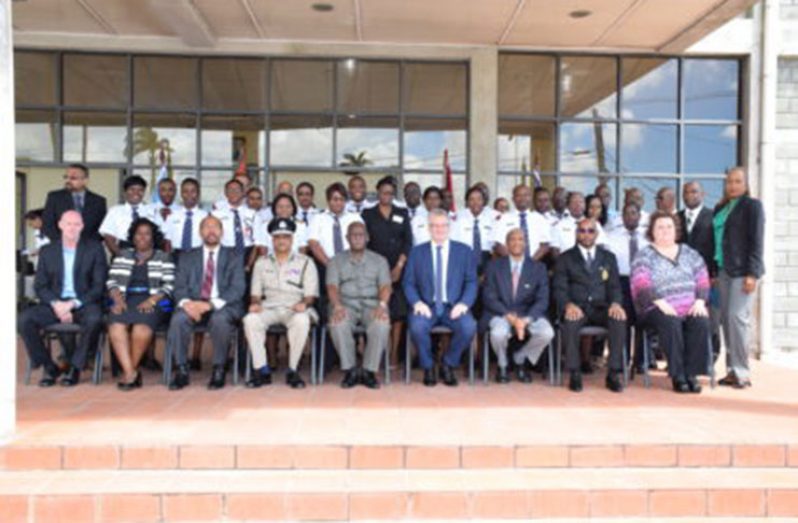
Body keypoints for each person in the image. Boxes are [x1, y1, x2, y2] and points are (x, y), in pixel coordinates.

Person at [18, 210, 107, 387]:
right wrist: (57, 304)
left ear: (82, 227)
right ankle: (49, 366)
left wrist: (72, 304)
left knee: (95, 319)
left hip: (83, 302)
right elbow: (40, 286)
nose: (72, 228)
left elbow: (99, 285)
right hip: (55, 303)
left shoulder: (95, 249)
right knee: (24, 320)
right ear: (60, 225)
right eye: (68, 224)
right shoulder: (47, 251)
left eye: (76, 224)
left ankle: (75, 367)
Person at [631, 212, 711, 393]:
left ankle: (692, 374)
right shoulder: (644, 255)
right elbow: (640, 283)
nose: (665, 231)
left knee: (701, 322)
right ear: (652, 231)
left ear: (676, 230)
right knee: (670, 322)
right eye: (660, 227)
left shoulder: (690, 253)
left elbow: (702, 278)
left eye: (669, 227)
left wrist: (699, 301)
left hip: (690, 306)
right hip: (655, 308)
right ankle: (678, 374)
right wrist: (660, 302)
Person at [166, 215, 246, 391]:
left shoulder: (234, 256)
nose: (211, 231)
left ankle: (219, 369)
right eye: (206, 227)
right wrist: (187, 304)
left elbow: (237, 288)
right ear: (200, 232)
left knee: (220, 320)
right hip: (193, 304)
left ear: (222, 232)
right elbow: (179, 286)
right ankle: (181, 369)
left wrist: (209, 305)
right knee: (178, 320)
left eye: (215, 227)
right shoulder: (187, 256)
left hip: (223, 305)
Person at [403, 209, 478, 387]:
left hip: (453, 306)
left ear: (449, 227)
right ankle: (428, 366)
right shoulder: (417, 252)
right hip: (426, 306)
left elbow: (471, 282)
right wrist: (417, 302)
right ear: (429, 228)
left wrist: (464, 304)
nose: (439, 229)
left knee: (468, 327)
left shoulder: (463, 251)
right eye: (435, 226)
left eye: (443, 225)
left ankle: (448, 364)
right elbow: (408, 283)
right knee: (417, 326)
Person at [553, 217, 627, 393]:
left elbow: (615, 286)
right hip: (577, 308)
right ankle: (575, 372)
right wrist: (568, 305)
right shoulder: (565, 258)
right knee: (570, 323)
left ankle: (613, 373)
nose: (586, 234)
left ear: (597, 234)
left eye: (590, 231)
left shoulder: (608, 257)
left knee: (618, 320)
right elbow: (559, 288)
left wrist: (616, 304)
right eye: (582, 231)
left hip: (601, 308)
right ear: (576, 234)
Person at [243, 218, 319, 389]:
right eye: (277, 237)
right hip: (269, 306)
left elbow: (310, 295)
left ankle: (293, 370)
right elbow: (255, 294)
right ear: (272, 239)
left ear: (292, 239)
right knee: (250, 319)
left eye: (285, 237)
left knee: (302, 320)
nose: (281, 241)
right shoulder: (261, 263)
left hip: (295, 307)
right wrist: (255, 303)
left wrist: (304, 304)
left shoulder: (306, 262)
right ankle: (262, 370)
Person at [106, 218, 175, 390]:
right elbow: (111, 281)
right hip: (124, 298)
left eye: (147, 234)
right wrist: (117, 298)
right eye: (139, 233)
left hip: (158, 300)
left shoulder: (163, 257)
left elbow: (170, 285)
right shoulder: (123, 255)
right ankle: (131, 373)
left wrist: (152, 300)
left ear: (153, 237)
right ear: (133, 236)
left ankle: (130, 372)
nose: (142, 237)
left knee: (141, 328)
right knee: (115, 326)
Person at [714, 166, 765, 389]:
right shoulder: (721, 208)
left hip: (742, 272)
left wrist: (752, 274)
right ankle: (731, 371)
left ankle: (742, 372)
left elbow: (756, 241)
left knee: (737, 319)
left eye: (737, 181)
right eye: (729, 182)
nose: (732, 185)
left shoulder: (752, 206)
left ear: (745, 184)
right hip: (723, 271)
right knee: (727, 321)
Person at [482, 228, 554, 383]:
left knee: (547, 333)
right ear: (507, 244)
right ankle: (502, 365)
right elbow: (489, 296)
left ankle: (520, 359)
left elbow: (542, 299)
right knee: (498, 334)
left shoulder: (538, 268)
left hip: (528, 313)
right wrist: (509, 317)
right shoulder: (494, 266)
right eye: (512, 239)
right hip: (501, 312)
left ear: (526, 244)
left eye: (520, 239)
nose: (516, 242)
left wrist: (526, 320)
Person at [327, 222, 392, 389]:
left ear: (367, 238)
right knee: (338, 323)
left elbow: (385, 286)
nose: (357, 237)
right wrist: (337, 306)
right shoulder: (335, 261)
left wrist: (382, 305)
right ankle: (350, 371)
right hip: (345, 304)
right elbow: (332, 286)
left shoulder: (379, 261)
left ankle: (369, 372)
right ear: (347, 238)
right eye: (353, 234)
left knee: (381, 323)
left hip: (372, 305)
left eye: (360, 234)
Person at [362, 176, 412, 367]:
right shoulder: (368, 214)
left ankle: (393, 354)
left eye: (390, 193)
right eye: (383, 192)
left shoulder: (402, 212)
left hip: (396, 268)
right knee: (375, 309)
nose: (387, 196)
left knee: (397, 312)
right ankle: (375, 353)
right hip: (374, 269)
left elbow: (408, 241)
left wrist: (399, 265)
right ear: (377, 193)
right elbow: (364, 242)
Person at [605, 202, 649, 371]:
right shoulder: (612, 237)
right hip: (621, 282)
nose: (630, 216)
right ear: (622, 217)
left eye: (634, 213)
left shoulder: (648, 238)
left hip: (642, 284)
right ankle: (621, 360)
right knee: (622, 321)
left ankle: (641, 362)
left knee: (642, 322)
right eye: (627, 214)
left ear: (639, 216)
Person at [679, 181, 720, 359]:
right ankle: (684, 358)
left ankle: (711, 356)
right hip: (681, 279)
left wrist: (715, 273)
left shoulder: (712, 217)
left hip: (707, 278)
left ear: (702, 194)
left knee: (710, 319)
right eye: (686, 192)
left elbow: (718, 247)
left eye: (694, 192)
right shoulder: (676, 218)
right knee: (685, 318)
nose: (690, 195)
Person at [42, 163, 107, 243]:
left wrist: (87, 244)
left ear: (85, 181)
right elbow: (47, 224)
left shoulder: (98, 201)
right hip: (61, 246)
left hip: (88, 248)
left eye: (73, 178)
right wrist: (63, 242)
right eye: (66, 177)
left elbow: (103, 227)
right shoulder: (55, 197)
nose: (68, 181)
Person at [100, 175, 157, 258]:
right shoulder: (115, 211)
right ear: (125, 191)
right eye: (132, 189)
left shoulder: (152, 210)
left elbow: (157, 235)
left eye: (140, 190)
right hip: (123, 249)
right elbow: (108, 236)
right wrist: (119, 254)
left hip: (147, 252)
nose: (136, 193)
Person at [493, 184, 551, 262]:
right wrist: (514, 261)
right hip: (509, 266)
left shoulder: (540, 219)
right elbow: (498, 244)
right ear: (513, 199)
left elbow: (545, 245)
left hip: (534, 264)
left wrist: (530, 262)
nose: (522, 198)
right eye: (518, 195)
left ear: (531, 198)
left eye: (525, 195)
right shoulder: (504, 219)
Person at [212, 179, 256, 268]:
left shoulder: (252, 214)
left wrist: (249, 264)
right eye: (230, 190)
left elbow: (257, 243)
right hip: (224, 253)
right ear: (225, 193)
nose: (234, 192)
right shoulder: (216, 214)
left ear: (243, 192)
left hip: (247, 253)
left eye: (237, 190)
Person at [452, 185, 495, 276]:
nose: (475, 202)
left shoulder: (492, 218)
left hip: (487, 260)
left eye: (479, 199)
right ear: (467, 202)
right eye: (472, 199)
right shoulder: (458, 219)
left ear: (484, 201)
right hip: (464, 259)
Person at [164, 178, 209, 256]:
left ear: (198, 193)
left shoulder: (206, 216)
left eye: (193, 191)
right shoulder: (172, 216)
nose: (189, 195)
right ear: (181, 194)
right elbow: (168, 241)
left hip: (198, 255)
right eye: (185, 191)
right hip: (177, 255)